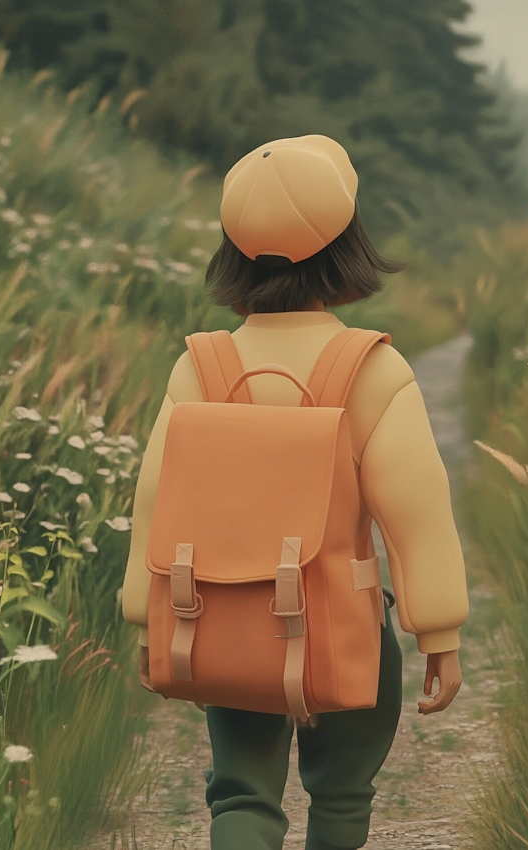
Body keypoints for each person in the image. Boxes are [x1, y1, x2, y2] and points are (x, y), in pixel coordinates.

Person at [122, 134, 469, 850]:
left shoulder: (202, 367)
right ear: (348, 249)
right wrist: (438, 630)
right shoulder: (372, 369)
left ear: (233, 253)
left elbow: (156, 498)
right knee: (342, 794)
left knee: (240, 794)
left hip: (225, 614)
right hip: (346, 624)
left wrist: (141, 612)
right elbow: (417, 515)